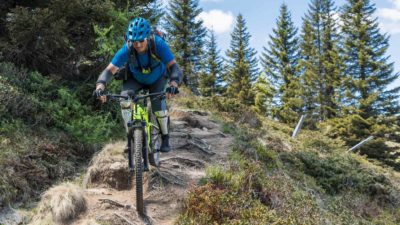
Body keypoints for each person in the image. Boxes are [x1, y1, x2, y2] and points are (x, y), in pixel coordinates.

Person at [93, 17, 183, 152]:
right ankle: (130, 138)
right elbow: (109, 70)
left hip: (157, 78)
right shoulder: (127, 49)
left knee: (158, 107)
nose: (138, 45)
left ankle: (165, 137)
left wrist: (174, 84)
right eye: (135, 42)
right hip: (135, 79)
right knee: (124, 101)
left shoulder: (158, 44)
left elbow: (174, 67)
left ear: (147, 37)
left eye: (141, 40)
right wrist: (100, 86)